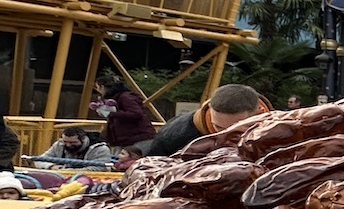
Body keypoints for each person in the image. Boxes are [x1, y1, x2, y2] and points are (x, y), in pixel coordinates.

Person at [140, 83, 269, 158]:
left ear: (258, 114)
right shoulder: (173, 136)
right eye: (218, 128)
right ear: (210, 110)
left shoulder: (279, 132)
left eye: (236, 130)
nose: (225, 136)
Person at [91, 77, 156, 149]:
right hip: (129, 139)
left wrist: (111, 113)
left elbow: (136, 113)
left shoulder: (125, 97)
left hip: (137, 139)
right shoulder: (118, 98)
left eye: (97, 87)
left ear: (102, 87)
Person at [31, 126, 111, 166]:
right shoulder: (59, 145)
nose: (68, 145)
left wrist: (69, 171)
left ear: (83, 139)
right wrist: (51, 167)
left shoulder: (100, 148)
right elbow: (40, 160)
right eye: (65, 142)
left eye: (73, 143)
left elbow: (101, 168)